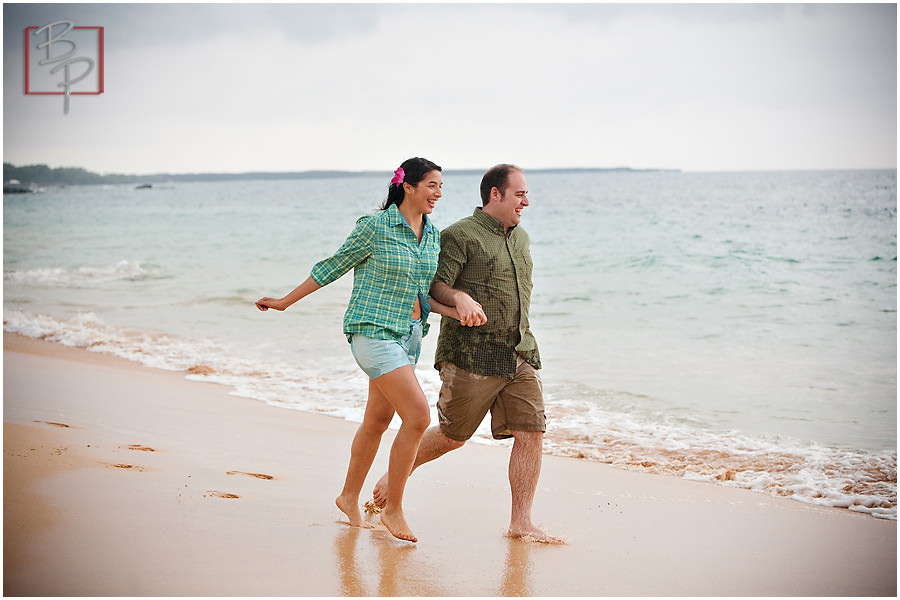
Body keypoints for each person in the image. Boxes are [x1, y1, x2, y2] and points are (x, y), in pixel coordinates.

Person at [256, 157, 460, 543]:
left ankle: (348, 497)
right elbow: (332, 266)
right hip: (371, 332)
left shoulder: (432, 235)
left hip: (409, 336)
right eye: (432, 185)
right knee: (417, 416)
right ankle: (394, 509)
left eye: (441, 186)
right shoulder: (375, 227)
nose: (439, 193)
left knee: (377, 422)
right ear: (408, 187)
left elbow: (425, 295)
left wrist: (459, 310)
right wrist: (285, 301)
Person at [372, 164, 563, 544]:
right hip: (471, 355)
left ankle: (521, 521)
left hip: (519, 351)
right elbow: (434, 286)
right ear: (496, 194)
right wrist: (459, 297)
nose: (526, 201)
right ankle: (395, 476)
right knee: (453, 435)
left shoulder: (521, 238)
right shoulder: (461, 235)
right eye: (520, 194)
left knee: (531, 432)